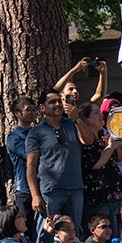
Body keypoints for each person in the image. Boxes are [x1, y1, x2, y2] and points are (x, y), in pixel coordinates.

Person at [26, 88, 86, 227]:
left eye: (59, 101)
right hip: (50, 191)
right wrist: (35, 195)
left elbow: (88, 140)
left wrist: (76, 118)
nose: (58, 104)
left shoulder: (72, 125)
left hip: (75, 188)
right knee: (46, 234)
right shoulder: (36, 132)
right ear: (42, 107)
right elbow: (31, 165)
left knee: (73, 234)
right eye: (52, 102)